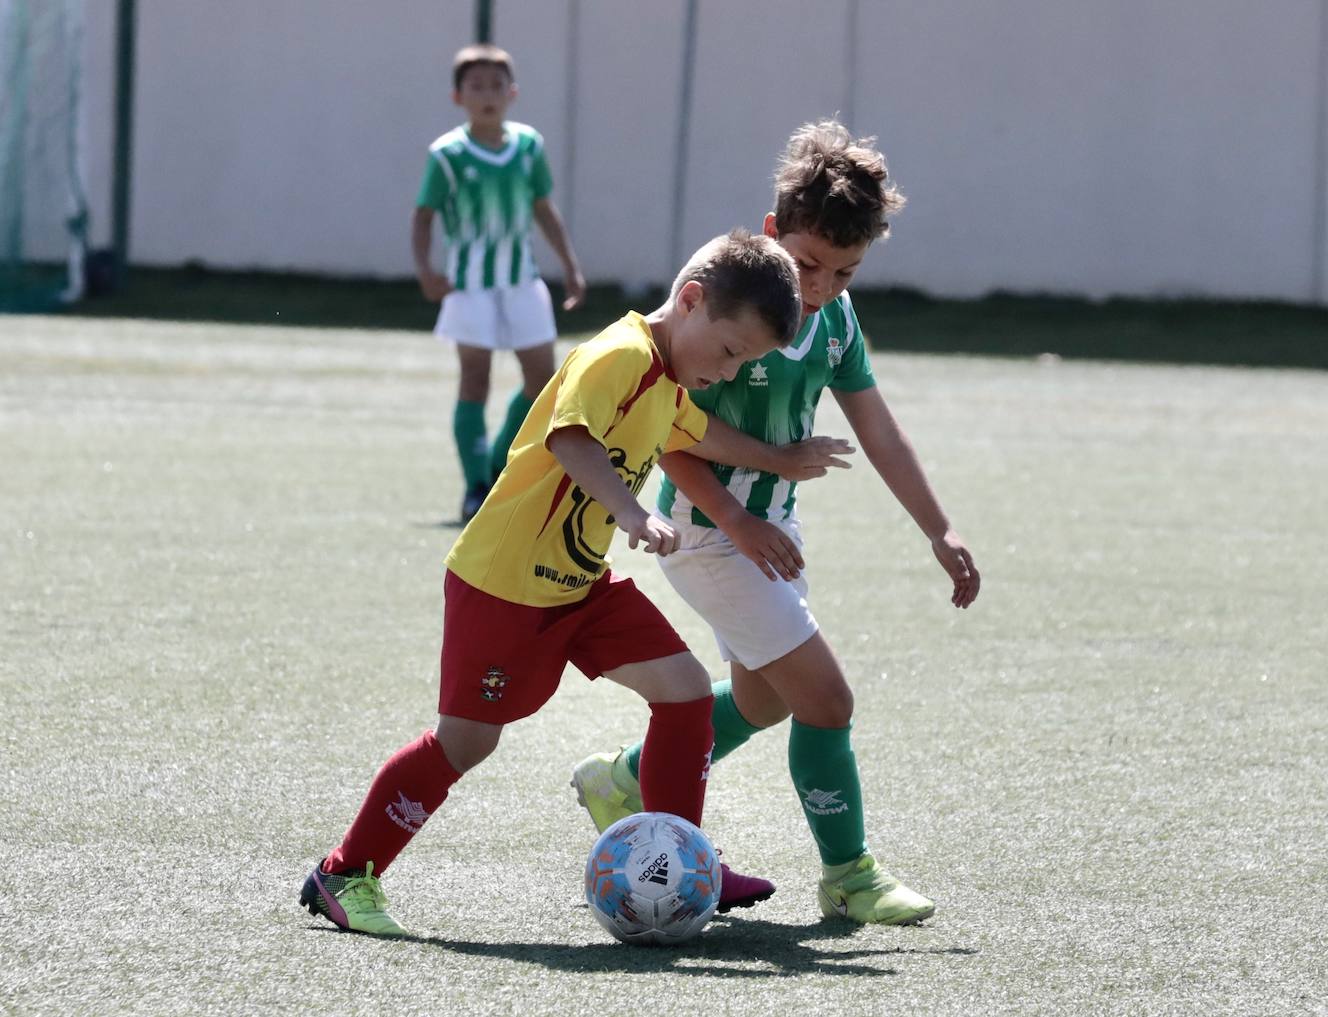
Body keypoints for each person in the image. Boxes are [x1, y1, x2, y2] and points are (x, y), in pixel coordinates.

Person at [300, 230, 856, 936]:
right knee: (465, 744)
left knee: (684, 693)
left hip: (579, 584)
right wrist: (629, 511)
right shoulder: (617, 355)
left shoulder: (670, 378)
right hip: (504, 585)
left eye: (743, 361)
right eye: (728, 351)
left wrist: (779, 458)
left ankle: (682, 867)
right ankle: (345, 871)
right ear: (689, 301)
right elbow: (570, 438)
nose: (727, 371)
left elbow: (698, 435)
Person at [571, 121, 981, 926]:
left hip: (767, 533)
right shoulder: (733, 304)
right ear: (769, 235)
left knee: (764, 700)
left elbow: (879, 428)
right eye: (808, 264)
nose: (821, 285)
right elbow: (667, 426)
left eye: (844, 270)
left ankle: (622, 778)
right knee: (827, 699)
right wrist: (735, 510)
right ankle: (849, 874)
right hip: (707, 531)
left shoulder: (837, 318)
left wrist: (939, 527)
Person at [412, 43, 587, 523]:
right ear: (457, 96)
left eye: (495, 85)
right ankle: (474, 487)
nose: (487, 95)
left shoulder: (528, 145)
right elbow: (424, 217)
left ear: (512, 92)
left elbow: (543, 208)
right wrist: (427, 271)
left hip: (522, 283)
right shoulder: (447, 154)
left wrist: (570, 264)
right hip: (469, 288)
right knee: (475, 379)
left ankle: (496, 467)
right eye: (476, 86)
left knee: (541, 380)